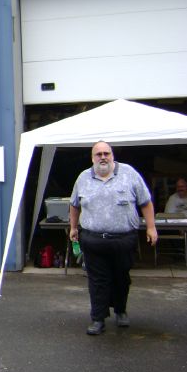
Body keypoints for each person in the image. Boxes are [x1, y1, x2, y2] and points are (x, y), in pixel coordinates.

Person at [69, 141, 158, 336]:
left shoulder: (129, 173)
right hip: (93, 240)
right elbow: (74, 205)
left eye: (106, 153)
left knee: (121, 278)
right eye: (98, 154)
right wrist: (73, 227)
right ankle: (98, 319)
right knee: (97, 281)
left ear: (112, 155)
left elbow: (146, 202)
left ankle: (120, 310)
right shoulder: (83, 178)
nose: (103, 157)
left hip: (123, 240)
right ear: (92, 158)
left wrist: (151, 227)